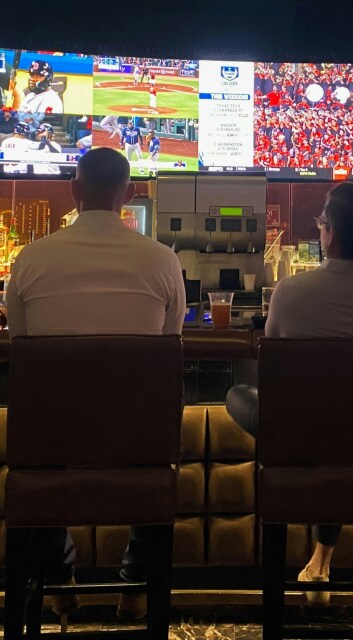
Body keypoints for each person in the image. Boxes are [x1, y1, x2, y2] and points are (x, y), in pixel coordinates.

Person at [225, 183, 353, 605]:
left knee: (238, 395)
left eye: (320, 225)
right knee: (344, 422)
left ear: (330, 233)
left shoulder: (292, 292)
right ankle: (324, 559)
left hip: (298, 445)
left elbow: (273, 368)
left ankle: (314, 559)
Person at [5, 147, 186, 620]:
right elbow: (168, 346)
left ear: (74, 190)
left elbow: (24, 345)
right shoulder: (163, 261)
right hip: (139, 445)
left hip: (47, 447)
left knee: (44, 437)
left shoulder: (30, 259)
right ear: (128, 195)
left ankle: (58, 578)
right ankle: (136, 586)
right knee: (152, 432)